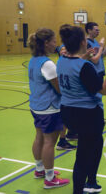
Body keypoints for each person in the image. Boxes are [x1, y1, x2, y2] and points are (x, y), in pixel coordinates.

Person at [57, 25, 106, 194]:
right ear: (84, 42)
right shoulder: (85, 67)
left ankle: (91, 181)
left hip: (68, 112)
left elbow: (75, 61)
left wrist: (86, 56)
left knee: (96, 144)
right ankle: (79, 190)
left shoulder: (61, 60)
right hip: (87, 115)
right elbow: (104, 90)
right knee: (83, 156)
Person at [28, 28, 70, 189]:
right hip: (49, 108)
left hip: (37, 106)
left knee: (39, 136)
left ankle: (40, 169)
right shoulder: (47, 64)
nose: (56, 44)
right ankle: (50, 178)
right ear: (46, 43)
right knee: (49, 142)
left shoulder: (34, 59)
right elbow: (59, 89)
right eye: (54, 41)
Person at [55, 24, 78, 151]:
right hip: (64, 89)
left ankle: (70, 134)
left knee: (69, 115)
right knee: (64, 116)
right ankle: (62, 141)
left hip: (67, 86)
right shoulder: (64, 52)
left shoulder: (69, 56)